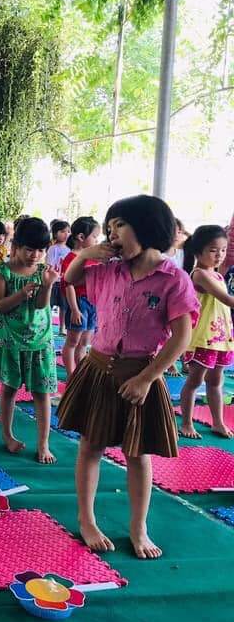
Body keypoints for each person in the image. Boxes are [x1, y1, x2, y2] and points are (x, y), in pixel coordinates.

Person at [58, 195, 197, 559]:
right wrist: (85, 255)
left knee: (138, 454)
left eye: (120, 225)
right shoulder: (108, 269)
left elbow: (181, 336)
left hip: (141, 373)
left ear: (148, 227)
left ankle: (139, 527)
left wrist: (148, 378)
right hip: (98, 367)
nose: (112, 234)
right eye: (109, 227)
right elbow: (69, 279)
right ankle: (87, 520)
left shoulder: (173, 279)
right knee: (90, 446)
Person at [0, 217, 59, 464]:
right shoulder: (2, 271)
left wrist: (47, 287)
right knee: (9, 390)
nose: (35, 255)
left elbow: (41, 305)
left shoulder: (43, 271)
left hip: (40, 341)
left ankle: (43, 443)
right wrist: (21, 293)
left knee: (42, 393)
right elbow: (0, 306)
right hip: (12, 340)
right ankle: (7, 435)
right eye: (29, 249)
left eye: (40, 250)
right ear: (16, 246)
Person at [178, 225, 234, 439]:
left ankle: (218, 422)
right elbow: (227, 300)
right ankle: (186, 423)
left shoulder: (217, 275)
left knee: (216, 381)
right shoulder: (200, 275)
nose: (219, 255)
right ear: (197, 251)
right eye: (213, 250)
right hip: (203, 338)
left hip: (221, 338)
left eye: (223, 250)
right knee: (194, 381)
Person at [60, 216, 101, 376]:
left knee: (84, 343)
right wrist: (75, 309)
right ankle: (71, 375)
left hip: (92, 303)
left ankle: (80, 375)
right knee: (72, 342)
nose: (97, 240)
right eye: (95, 237)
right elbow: (68, 285)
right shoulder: (72, 258)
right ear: (81, 237)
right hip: (79, 303)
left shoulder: (94, 258)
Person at [48, 220, 72, 335]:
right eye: (62, 231)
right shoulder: (53, 248)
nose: (66, 234)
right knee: (49, 305)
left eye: (68, 231)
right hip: (54, 281)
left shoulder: (69, 249)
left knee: (64, 306)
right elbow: (50, 265)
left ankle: (62, 328)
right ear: (55, 233)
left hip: (64, 281)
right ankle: (47, 326)